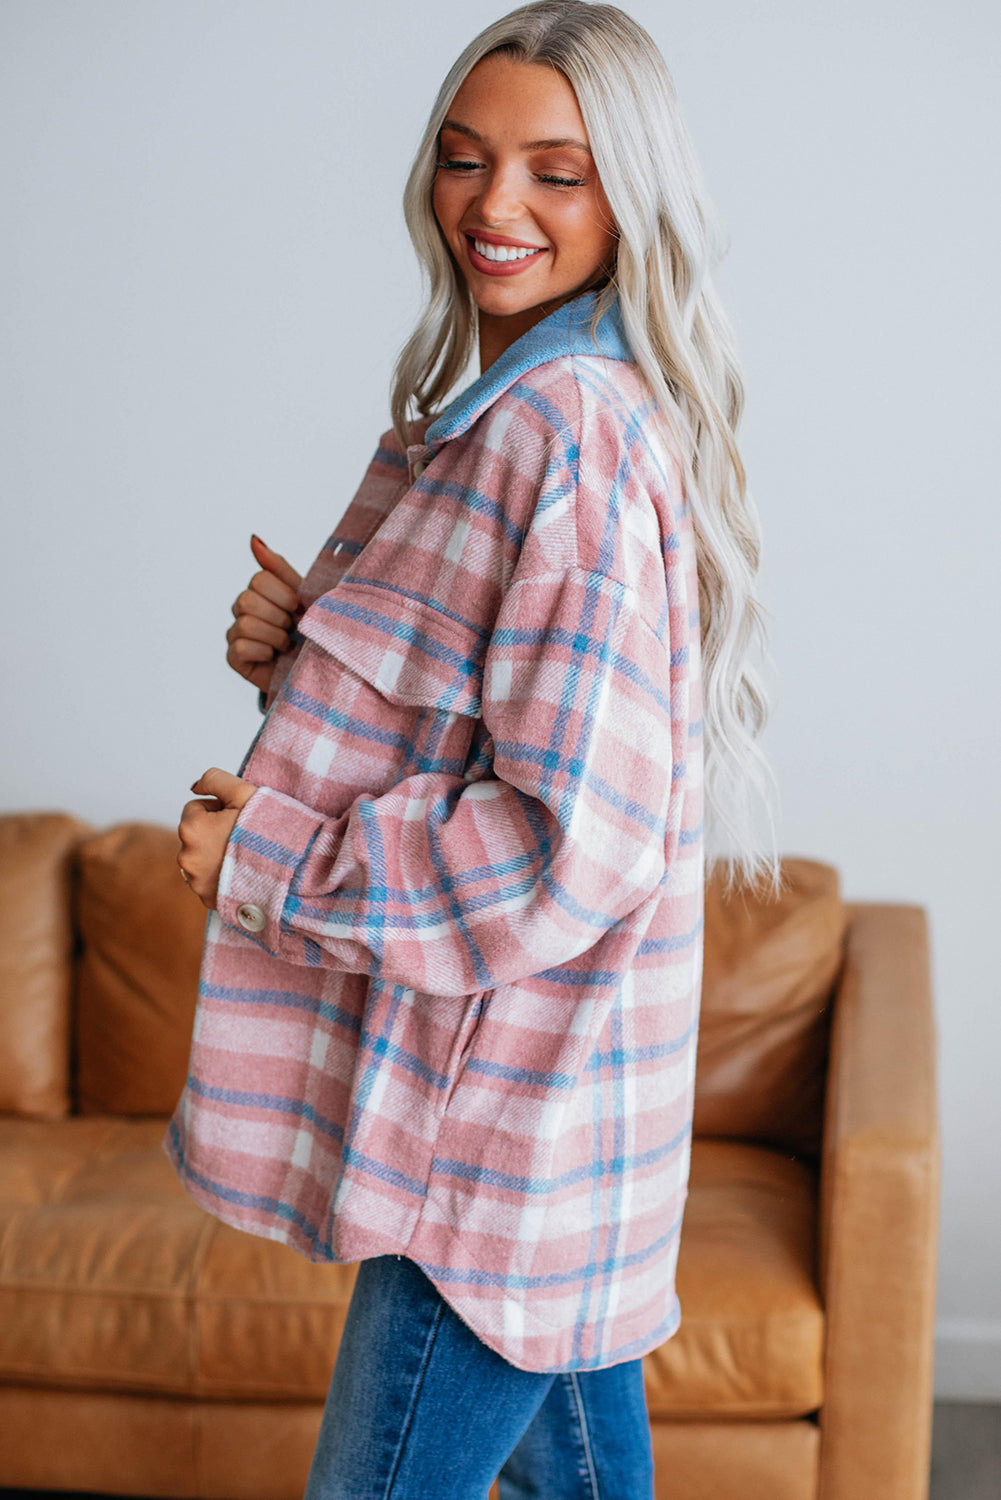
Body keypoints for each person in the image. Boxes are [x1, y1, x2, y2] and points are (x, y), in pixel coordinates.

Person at [169, 1, 781, 1495]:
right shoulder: (493, 420)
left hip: (485, 1144)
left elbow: (568, 844)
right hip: (531, 1134)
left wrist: (270, 862)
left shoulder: (561, 436)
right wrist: (307, 657)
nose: (494, 206)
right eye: (464, 158)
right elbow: (480, 729)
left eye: (556, 173)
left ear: (629, 198)